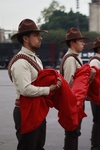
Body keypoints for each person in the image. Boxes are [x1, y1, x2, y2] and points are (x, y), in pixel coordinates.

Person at [9, 19, 61, 150]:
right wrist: (49, 89)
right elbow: (25, 89)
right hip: (25, 110)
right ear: (26, 38)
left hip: (36, 109)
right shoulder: (21, 62)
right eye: (36, 35)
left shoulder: (35, 58)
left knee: (38, 146)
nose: (40, 38)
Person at [60, 27, 95, 150]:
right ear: (72, 43)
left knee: (75, 132)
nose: (83, 43)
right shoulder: (70, 59)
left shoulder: (75, 57)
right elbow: (68, 84)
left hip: (77, 101)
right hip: (73, 102)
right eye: (80, 41)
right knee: (72, 133)